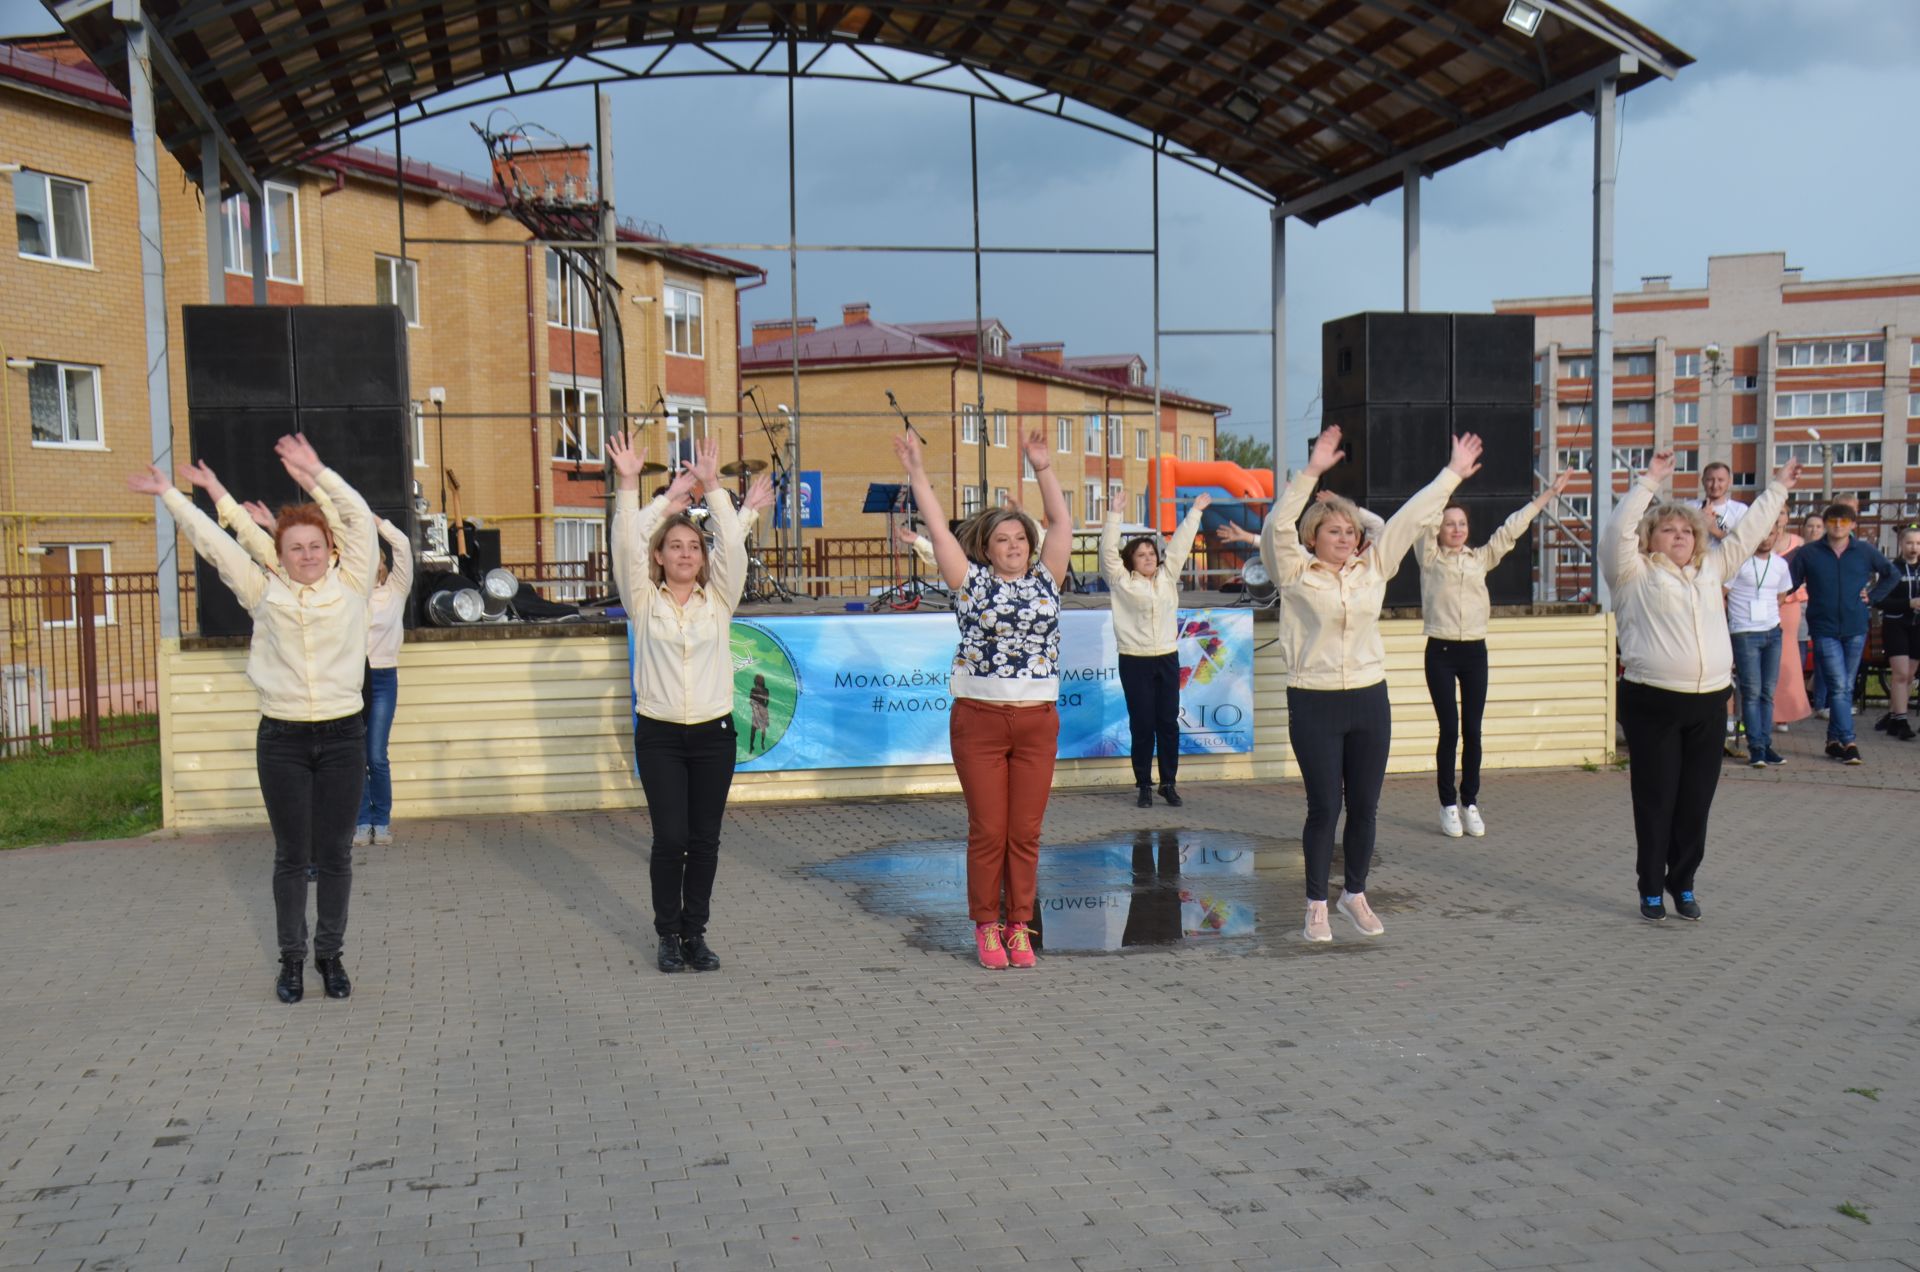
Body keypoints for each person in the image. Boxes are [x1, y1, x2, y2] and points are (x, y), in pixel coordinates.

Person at [132, 435, 376, 1003]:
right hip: (283, 739)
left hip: (343, 736)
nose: (308, 555)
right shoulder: (263, 591)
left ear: (331, 550)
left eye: (316, 546)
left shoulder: (351, 585)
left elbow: (359, 518)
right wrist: (171, 495)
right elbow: (218, 544)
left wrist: (317, 475)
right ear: (281, 552)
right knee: (292, 856)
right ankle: (291, 962)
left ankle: (330, 957)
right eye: (296, 548)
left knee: (335, 854)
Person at [1259, 423, 1483, 942]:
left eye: (1351, 531)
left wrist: (1450, 475)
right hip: (1313, 701)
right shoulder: (1293, 573)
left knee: (1364, 805)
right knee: (1324, 807)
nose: (1344, 537)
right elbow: (1276, 526)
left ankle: (1353, 893)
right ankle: (1316, 903)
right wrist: (1311, 470)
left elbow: (1409, 519)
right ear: (1314, 536)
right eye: (1333, 530)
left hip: (1367, 698)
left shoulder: (1374, 567)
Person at [893, 424, 1072, 971]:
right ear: (987, 548)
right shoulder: (971, 583)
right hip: (980, 720)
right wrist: (918, 473)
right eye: (1003, 540)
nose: (1014, 547)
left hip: (1037, 720)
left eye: (1021, 539)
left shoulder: (1048, 579)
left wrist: (1042, 466)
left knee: (1026, 832)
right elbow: (941, 534)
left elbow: (1062, 522)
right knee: (989, 830)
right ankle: (986, 926)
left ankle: (1020, 925)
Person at [1604, 449, 1798, 923]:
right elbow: (1615, 533)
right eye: (1669, 530)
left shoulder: (1712, 568)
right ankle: (1651, 887)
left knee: (1695, 803)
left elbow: (1749, 530)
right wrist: (1649, 481)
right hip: (1653, 701)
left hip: (1709, 701)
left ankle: (1682, 882)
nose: (1681, 537)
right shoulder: (1632, 573)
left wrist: (1778, 488)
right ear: (1651, 538)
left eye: (1688, 530)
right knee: (1656, 799)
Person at [609, 430, 770, 973]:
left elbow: (732, 541)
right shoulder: (642, 600)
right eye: (674, 546)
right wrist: (636, 487)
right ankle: (666, 934)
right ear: (659, 555)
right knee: (670, 838)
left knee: (704, 841)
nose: (684, 553)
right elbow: (626, 543)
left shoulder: (719, 599)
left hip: (712, 734)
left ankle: (695, 933)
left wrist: (712, 485)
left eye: (692, 547)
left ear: (703, 559)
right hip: (659, 734)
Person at [230, 494, 414, 847]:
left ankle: (382, 820)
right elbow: (291, 562)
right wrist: (272, 526)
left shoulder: (395, 591)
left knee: (377, 754)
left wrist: (372, 521)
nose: (372, 565)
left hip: (383, 678)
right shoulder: (343, 590)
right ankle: (359, 823)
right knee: (355, 754)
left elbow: (403, 545)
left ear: (382, 564)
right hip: (348, 679)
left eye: (377, 560)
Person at [1402, 472, 1573, 838]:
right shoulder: (1430, 557)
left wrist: (1546, 496)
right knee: (1449, 729)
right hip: (1441, 651)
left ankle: (1470, 802)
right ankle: (1447, 804)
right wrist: (1445, 488)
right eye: (1450, 523)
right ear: (1440, 528)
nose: (1457, 528)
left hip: (1475, 651)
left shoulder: (1479, 559)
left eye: (1461, 523)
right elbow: (1423, 518)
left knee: (1473, 731)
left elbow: (1511, 529)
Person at [1100, 490, 1210, 808]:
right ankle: (1144, 785)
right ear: (1131, 561)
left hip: (1166, 657)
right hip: (1135, 660)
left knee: (1167, 722)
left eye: (1152, 553)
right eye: (1142, 555)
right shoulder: (1121, 581)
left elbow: (1180, 546)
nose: (1149, 558)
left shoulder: (1166, 576)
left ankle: (1169, 783)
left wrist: (1196, 513)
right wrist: (1114, 515)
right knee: (1143, 724)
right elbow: (1108, 552)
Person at [1787, 502, 1898, 765]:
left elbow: (1890, 574)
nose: (1838, 526)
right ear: (1826, 524)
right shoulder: (1809, 553)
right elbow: (1788, 583)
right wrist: (1771, 599)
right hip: (1824, 627)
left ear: (1853, 525)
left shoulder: (1864, 551)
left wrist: (1872, 597)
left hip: (1856, 627)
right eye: (1834, 521)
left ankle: (1833, 740)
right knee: (1839, 685)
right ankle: (1849, 742)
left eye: (1844, 522)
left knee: (1845, 685)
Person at [1723, 514, 1797, 767]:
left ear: (1777, 534)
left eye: (1770, 533)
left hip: (1772, 632)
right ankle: (1755, 746)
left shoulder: (1780, 565)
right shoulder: (1738, 563)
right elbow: (1722, 593)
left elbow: (1781, 595)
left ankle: (1766, 745)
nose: (1766, 538)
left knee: (1767, 692)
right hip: (1744, 632)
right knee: (1752, 692)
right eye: (1761, 533)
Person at [1872, 525, 1920, 741]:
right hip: (1896, 625)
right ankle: (1900, 720)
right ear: (1901, 544)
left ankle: (1893, 716)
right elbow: (1879, 599)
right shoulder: (1893, 570)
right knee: (1900, 674)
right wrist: (1908, 603)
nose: (1914, 548)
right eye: (1909, 543)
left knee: (1909, 675)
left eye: (1918, 544)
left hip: (1917, 627)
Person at [1768, 512, 1812, 731]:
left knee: (1787, 656)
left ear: (1788, 517)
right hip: (1762, 604)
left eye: (1782, 513)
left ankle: (1784, 713)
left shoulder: (1799, 544)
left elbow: (1806, 575)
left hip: (1790, 604)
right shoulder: (1757, 537)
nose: (1778, 517)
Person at [1799, 512, 1828, 716]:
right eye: (1810, 526)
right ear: (1804, 529)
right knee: (1798, 658)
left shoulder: (1829, 553)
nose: (1814, 530)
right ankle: (1797, 700)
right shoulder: (1798, 552)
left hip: (1821, 609)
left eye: (1818, 526)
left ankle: (1820, 703)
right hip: (1799, 609)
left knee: (1824, 657)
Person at [1695, 462, 1748, 542]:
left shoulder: (1740, 510)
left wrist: (1714, 529)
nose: (1715, 485)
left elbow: (1742, 544)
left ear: (1729, 481)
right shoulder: (1689, 507)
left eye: (1720, 480)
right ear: (1702, 481)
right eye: (1710, 480)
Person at [746, 673, 772, 754]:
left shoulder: (762, 690)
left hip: (760, 711)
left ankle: (756, 745)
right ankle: (754, 745)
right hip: (759, 711)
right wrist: (760, 707)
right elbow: (752, 701)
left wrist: (760, 707)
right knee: (756, 730)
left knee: (758, 730)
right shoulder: (755, 689)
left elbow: (766, 701)